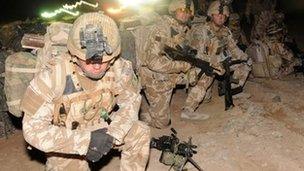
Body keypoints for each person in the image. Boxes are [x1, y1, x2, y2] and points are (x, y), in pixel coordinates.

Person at [20, 12, 150, 171]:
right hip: (66, 136)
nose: (98, 66)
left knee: (140, 132)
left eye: (105, 61)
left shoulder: (119, 68)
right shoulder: (53, 77)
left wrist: (113, 133)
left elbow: (131, 101)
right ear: (74, 55)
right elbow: (32, 130)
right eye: (90, 60)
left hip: (102, 125)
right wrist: (86, 141)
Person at [181, 0, 251, 119]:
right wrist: (214, 62)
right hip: (200, 64)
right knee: (209, 77)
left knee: (244, 64)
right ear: (211, 15)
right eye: (218, 14)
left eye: (223, 15)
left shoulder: (225, 31)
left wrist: (245, 58)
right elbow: (197, 54)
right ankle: (188, 109)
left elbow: (234, 49)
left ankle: (235, 91)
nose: (221, 17)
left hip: (218, 63)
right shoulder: (202, 30)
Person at [138, 0, 194, 129]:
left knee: (196, 72)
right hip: (153, 77)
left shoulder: (181, 29)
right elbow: (153, 62)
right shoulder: (162, 28)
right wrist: (182, 66)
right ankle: (141, 116)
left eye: (188, 12)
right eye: (182, 10)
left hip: (166, 75)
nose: (185, 14)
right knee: (163, 123)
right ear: (174, 10)